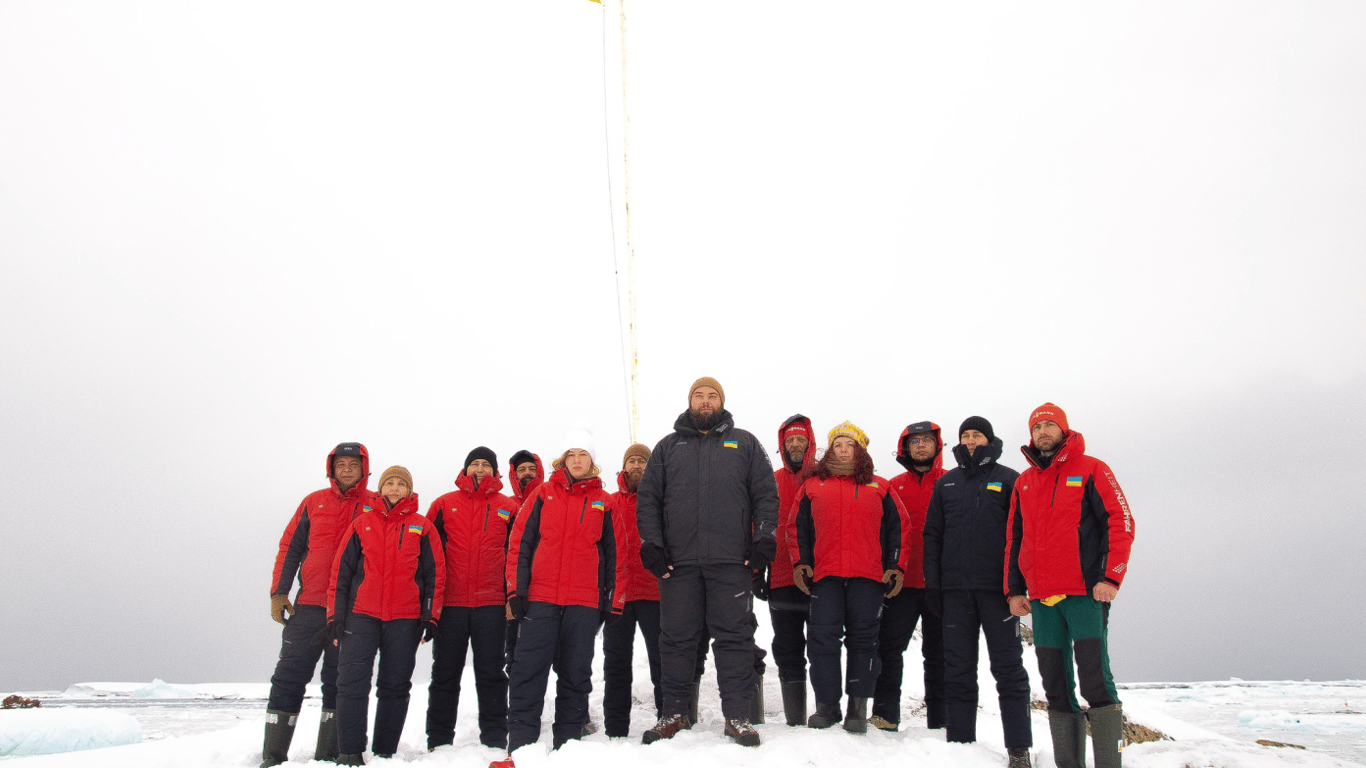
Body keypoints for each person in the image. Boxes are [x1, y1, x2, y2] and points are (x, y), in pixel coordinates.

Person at [636, 377, 779, 747]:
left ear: (721, 402)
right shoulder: (667, 447)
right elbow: (648, 499)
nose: (705, 401)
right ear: (689, 402)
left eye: (711, 395)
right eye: (698, 395)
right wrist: (652, 544)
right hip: (678, 563)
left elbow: (766, 493)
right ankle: (674, 712)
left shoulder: (744, 442)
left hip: (732, 561)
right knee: (676, 639)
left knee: (735, 638)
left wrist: (764, 538)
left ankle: (738, 717)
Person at [1007, 404, 1135, 768]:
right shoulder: (1024, 481)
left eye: (1050, 425)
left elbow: (1122, 521)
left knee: (1096, 681)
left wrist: (1111, 577)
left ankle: (1112, 762)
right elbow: (1013, 540)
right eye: (1037, 427)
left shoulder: (1093, 469)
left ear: (1064, 430)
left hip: (1084, 594)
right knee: (1055, 686)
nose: (1043, 432)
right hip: (1043, 599)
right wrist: (1015, 590)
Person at [502, 430, 624, 757]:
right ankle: (521, 750)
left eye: (583, 454)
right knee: (527, 673)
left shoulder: (605, 502)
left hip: (584, 604)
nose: (577, 460)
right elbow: (520, 545)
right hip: (539, 601)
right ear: (563, 460)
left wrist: (614, 600)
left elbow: (617, 557)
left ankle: (567, 751)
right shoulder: (543, 494)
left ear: (592, 460)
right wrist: (516, 590)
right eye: (572, 455)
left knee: (575, 676)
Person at [924, 417, 1032, 767]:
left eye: (977, 435)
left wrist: (1017, 585)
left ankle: (1019, 748)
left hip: (997, 592)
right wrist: (934, 586)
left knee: (1008, 669)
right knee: (957, 669)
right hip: (955, 593)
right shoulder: (947, 483)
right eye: (965, 435)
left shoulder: (1009, 479)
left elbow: (1021, 535)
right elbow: (932, 537)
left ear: (989, 439)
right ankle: (960, 744)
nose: (970, 440)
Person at [262, 442, 377, 767]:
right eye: (340, 463)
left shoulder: (375, 504)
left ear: (364, 468)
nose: (346, 469)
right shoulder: (313, 503)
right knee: (288, 676)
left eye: (352, 464)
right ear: (332, 468)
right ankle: (272, 756)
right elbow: (290, 548)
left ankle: (327, 756)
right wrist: (279, 593)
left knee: (340, 681)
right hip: (309, 605)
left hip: (353, 610)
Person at [326, 465, 445, 766]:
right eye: (389, 483)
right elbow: (341, 573)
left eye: (400, 484)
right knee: (352, 683)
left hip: (405, 619)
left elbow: (435, 575)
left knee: (394, 686)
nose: (394, 488)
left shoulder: (422, 526)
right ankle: (349, 753)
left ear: (409, 490)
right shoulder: (361, 523)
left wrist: (431, 615)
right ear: (379, 489)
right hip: (361, 616)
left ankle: (384, 753)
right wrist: (335, 616)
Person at [791, 422, 902, 734]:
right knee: (821, 639)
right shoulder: (813, 486)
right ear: (830, 450)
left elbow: (899, 528)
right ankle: (827, 706)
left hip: (868, 577)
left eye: (849, 444)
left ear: (860, 450)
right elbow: (795, 529)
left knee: (864, 641)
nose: (843, 449)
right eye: (837, 444)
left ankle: (857, 707)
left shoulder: (881, 487)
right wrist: (801, 563)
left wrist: (895, 566)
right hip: (825, 577)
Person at [426, 447, 521, 751]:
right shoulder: (443, 505)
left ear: (496, 472)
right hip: (451, 605)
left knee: (492, 673)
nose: (480, 469)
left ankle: (494, 738)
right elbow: (427, 556)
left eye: (486, 465)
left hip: (492, 605)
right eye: (474, 464)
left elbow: (518, 556)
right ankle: (439, 740)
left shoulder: (508, 507)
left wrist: (512, 596)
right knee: (444, 673)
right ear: (465, 470)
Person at [871, 421, 948, 732]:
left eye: (927, 440)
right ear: (905, 446)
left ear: (936, 445)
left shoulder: (949, 483)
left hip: (940, 584)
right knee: (888, 650)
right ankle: (885, 715)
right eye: (914, 441)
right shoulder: (893, 486)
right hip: (899, 585)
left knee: (940, 654)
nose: (920, 446)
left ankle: (941, 723)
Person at [602, 443, 662, 738]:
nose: (637, 465)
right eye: (632, 461)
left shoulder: (662, 501)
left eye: (642, 461)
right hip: (619, 597)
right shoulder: (609, 502)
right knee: (616, 664)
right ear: (623, 467)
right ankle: (615, 728)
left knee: (662, 662)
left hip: (655, 593)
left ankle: (669, 720)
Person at [767, 414, 816, 726]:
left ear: (809, 443)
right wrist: (758, 573)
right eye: (790, 440)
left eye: (800, 439)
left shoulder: (822, 479)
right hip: (782, 577)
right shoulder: (771, 481)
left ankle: (825, 710)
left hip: (820, 580)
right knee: (787, 647)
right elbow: (756, 526)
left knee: (822, 647)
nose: (795, 444)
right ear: (782, 446)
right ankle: (795, 719)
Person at [504, 450, 543, 671]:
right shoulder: (507, 505)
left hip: (544, 591)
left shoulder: (551, 500)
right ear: (513, 475)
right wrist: (509, 594)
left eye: (531, 468)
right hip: (513, 591)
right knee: (515, 653)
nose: (527, 473)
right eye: (521, 469)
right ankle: (516, 703)